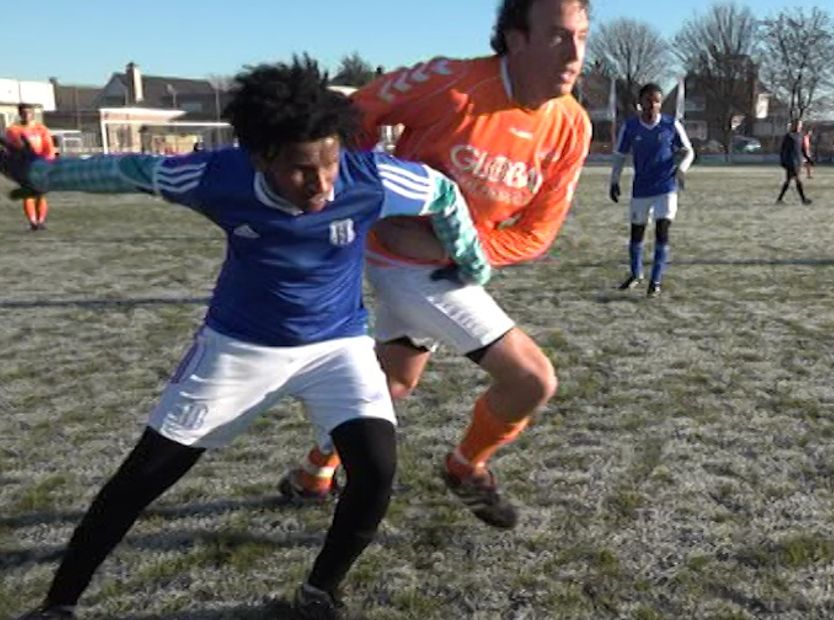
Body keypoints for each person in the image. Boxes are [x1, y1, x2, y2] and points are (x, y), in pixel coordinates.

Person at [6, 56, 490, 620]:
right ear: (259, 157)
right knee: (142, 479)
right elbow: (128, 170)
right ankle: (57, 606)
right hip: (238, 349)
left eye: (331, 162)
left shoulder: (371, 178)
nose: (322, 183)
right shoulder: (216, 177)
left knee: (377, 472)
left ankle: (319, 592)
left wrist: (472, 265)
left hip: (337, 348)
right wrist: (41, 176)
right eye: (302, 169)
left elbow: (445, 196)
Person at [278, 0, 592, 531]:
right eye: (558, 36)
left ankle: (312, 474)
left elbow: (537, 235)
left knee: (393, 382)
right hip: (400, 260)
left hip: (448, 264)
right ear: (516, 39)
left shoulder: (572, 126)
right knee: (532, 380)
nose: (575, 52)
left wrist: (455, 245)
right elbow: (353, 116)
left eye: (582, 37)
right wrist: (367, 196)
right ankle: (465, 466)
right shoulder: (452, 83)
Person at [609, 83, 694, 298]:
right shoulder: (630, 127)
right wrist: (614, 181)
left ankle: (655, 281)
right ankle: (636, 274)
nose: (652, 105)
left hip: (666, 187)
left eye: (656, 101)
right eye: (648, 100)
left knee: (661, 232)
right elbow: (619, 155)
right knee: (637, 234)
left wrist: (681, 169)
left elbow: (688, 151)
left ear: (661, 103)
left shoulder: (670, 125)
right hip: (641, 189)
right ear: (641, 102)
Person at [5, 103, 57, 231]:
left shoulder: (41, 129)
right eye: (24, 112)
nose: (26, 114)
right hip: (23, 165)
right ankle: (33, 221)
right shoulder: (13, 130)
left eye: (29, 112)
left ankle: (41, 221)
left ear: (33, 114)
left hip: (40, 164)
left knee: (40, 194)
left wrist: (49, 161)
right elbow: (10, 148)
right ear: (20, 114)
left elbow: (48, 146)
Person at [776, 119, 813, 205]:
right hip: (791, 161)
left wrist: (808, 159)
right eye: (796, 124)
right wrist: (783, 161)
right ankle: (803, 199)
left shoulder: (801, 136)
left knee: (788, 181)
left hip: (798, 161)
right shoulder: (788, 136)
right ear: (792, 125)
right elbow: (783, 150)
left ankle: (779, 199)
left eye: (799, 125)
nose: (798, 126)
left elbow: (803, 149)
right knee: (797, 180)